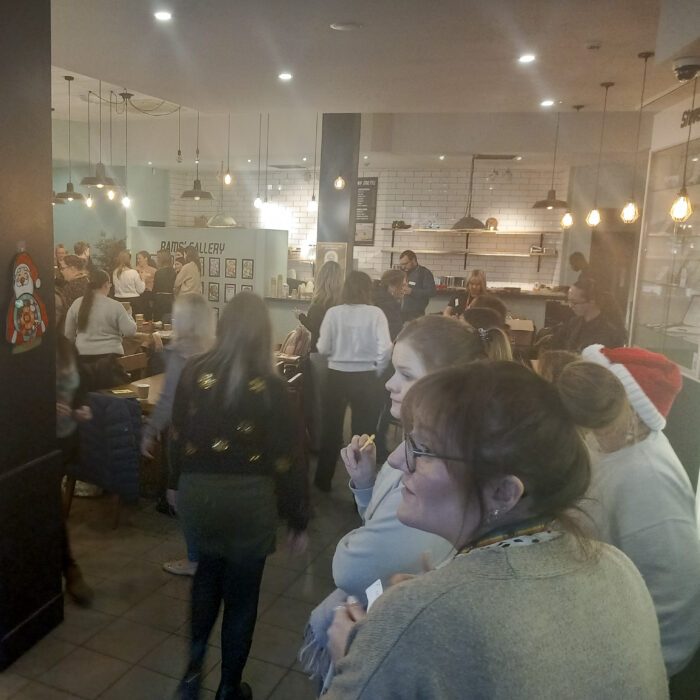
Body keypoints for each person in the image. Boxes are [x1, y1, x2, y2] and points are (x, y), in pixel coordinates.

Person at [324, 362, 668, 699]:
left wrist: (357, 659)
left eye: (423, 450)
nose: (398, 460)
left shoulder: (412, 617)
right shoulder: (618, 566)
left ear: (504, 492)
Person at [300, 316, 512, 693]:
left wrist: (359, 538)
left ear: (447, 383)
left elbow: (349, 568)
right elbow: (386, 522)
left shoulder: (445, 473)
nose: (389, 383)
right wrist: (365, 486)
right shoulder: (424, 449)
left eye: (406, 373)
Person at [170, 293, 309, 700]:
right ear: (264, 332)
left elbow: (177, 433)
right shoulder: (274, 387)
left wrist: (173, 482)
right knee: (243, 599)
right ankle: (229, 688)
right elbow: (288, 458)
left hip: (199, 494)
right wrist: (298, 517)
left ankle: (192, 674)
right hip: (250, 501)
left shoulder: (194, 371)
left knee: (205, 579)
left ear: (223, 326)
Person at [557, 345, 700, 681]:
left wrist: (641, 670)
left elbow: (674, 596)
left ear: (632, 409)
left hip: (638, 659)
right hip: (594, 609)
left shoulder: (647, 479)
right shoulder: (604, 442)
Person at [141, 294, 215, 577]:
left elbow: (168, 401)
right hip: (212, 436)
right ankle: (209, 554)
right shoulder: (216, 351)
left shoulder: (180, 354)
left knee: (182, 499)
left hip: (183, 437)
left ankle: (195, 558)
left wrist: (149, 431)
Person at [315, 272, 393, 492]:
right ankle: (362, 485)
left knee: (330, 431)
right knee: (364, 435)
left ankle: (322, 481)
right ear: (368, 290)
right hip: (367, 378)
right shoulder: (376, 313)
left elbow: (322, 347)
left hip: (337, 376)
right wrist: (378, 369)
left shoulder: (333, 312)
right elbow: (386, 348)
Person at [56, 335, 94, 607]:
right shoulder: (25, 347)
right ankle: (69, 568)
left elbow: (80, 387)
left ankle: (68, 568)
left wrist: (82, 407)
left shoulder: (66, 345)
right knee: (49, 508)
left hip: (66, 440)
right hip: (38, 443)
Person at [63, 269, 137, 390]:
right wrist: (129, 314)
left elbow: (68, 335)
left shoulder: (77, 304)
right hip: (110, 361)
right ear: (106, 284)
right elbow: (130, 331)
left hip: (82, 360)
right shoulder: (115, 306)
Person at [545, 278, 626, 351]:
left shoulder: (610, 332)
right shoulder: (573, 323)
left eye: (574, 302)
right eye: (569, 301)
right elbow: (555, 344)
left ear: (591, 302)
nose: (570, 306)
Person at [298, 260, 343, 352]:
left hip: (320, 353)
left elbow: (317, 328)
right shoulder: (343, 303)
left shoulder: (318, 304)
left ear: (321, 279)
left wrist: (301, 317)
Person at [398, 250, 435, 323]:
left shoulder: (424, 273)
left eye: (405, 263)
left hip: (415, 314)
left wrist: (412, 291)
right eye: (401, 264)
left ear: (414, 260)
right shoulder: (401, 272)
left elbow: (432, 292)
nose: (403, 266)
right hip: (399, 312)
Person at [372, 269, 405, 341]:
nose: (404, 289)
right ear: (392, 286)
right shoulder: (388, 304)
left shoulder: (376, 296)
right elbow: (394, 331)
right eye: (402, 285)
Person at [152, 249, 178, 322]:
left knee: (158, 323)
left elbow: (155, 289)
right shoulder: (174, 272)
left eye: (157, 258)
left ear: (161, 259)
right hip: (170, 300)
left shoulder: (158, 272)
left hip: (159, 301)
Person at [136, 250, 157, 320]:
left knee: (148, 314)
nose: (138, 260)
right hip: (138, 294)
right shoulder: (134, 270)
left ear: (146, 258)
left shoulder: (153, 270)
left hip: (149, 295)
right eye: (137, 259)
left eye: (140, 258)